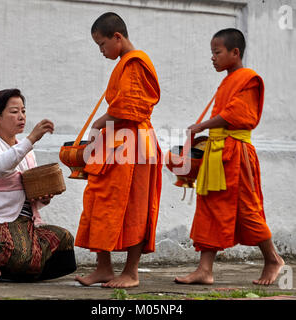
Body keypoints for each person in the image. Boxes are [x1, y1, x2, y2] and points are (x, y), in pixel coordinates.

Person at [175, 28, 284, 286]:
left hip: (237, 153)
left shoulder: (248, 78)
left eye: (217, 52)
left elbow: (237, 114)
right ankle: (204, 269)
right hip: (218, 152)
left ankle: (273, 259)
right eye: (211, 53)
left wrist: (200, 126)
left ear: (235, 52)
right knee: (210, 208)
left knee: (247, 208)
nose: (212, 58)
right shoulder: (226, 80)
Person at [74, 12, 162, 288]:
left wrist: (99, 123)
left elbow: (131, 107)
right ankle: (103, 267)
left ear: (117, 37)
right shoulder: (124, 63)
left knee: (135, 205)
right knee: (100, 200)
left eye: (102, 44)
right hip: (117, 142)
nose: (101, 50)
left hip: (135, 143)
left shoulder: (136, 62)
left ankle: (131, 272)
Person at [0, 88, 77, 282]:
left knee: (65, 243)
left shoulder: (26, 150)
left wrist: (43, 198)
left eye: (23, 111)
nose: (21, 116)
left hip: (26, 224)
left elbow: (31, 193)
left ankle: (0, 271)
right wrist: (32, 138)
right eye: (14, 112)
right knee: (22, 254)